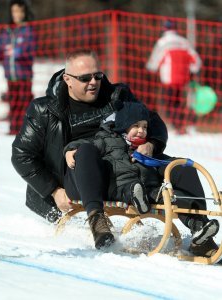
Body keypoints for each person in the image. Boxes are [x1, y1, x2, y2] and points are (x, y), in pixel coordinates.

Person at [12, 48, 218, 256]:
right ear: (67, 79)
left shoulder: (117, 96)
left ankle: (200, 230)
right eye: (85, 78)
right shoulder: (45, 110)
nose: (93, 82)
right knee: (87, 152)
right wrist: (53, 191)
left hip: (128, 166)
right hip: (81, 176)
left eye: (97, 76)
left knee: (181, 168)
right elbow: (22, 155)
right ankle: (98, 221)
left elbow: (154, 122)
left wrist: (152, 144)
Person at [65, 101, 219, 248]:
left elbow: (162, 162)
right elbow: (88, 145)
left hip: (150, 190)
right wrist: (71, 149)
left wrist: (179, 165)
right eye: (136, 126)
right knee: (132, 187)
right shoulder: (108, 141)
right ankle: (131, 201)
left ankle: (198, 228)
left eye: (145, 127)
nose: (141, 130)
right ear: (123, 126)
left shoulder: (145, 149)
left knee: (178, 191)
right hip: (118, 187)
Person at [146, 19, 202, 134]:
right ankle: (184, 124)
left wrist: (151, 69)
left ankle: (177, 126)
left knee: (170, 102)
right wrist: (190, 70)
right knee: (181, 102)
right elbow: (196, 62)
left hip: (168, 79)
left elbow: (153, 64)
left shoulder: (162, 42)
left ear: (164, 28)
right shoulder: (184, 42)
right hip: (183, 78)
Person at [0, 0, 35, 135]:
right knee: (13, 103)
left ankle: (25, 130)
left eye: (20, 11)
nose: (17, 14)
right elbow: (1, 49)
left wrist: (18, 52)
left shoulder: (28, 30)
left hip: (24, 75)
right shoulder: (7, 30)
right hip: (10, 75)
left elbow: (30, 49)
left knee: (24, 103)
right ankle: (13, 128)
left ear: (24, 13)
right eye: (14, 11)